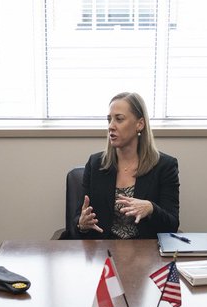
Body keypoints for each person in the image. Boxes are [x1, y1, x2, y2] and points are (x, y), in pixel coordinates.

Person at [76, 91, 180, 239]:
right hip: (104, 253)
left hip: (146, 254)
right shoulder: (95, 164)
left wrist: (151, 208)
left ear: (140, 124)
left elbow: (172, 225)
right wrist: (82, 224)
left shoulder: (165, 166)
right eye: (109, 120)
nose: (111, 126)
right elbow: (77, 219)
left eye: (119, 119)